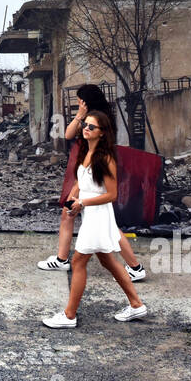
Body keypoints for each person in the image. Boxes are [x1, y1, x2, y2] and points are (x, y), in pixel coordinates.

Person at [42, 110, 147, 328]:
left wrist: (83, 204)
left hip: (98, 215)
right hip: (90, 213)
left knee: (78, 261)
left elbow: (111, 195)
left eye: (92, 127)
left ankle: (69, 316)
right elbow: (81, 182)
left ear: (102, 133)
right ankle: (137, 305)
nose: (86, 129)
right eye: (85, 125)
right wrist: (72, 201)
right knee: (108, 260)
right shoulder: (86, 152)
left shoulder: (105, 157)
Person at [37, 84, 146, 281]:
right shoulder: (91, 119)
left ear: (86, 100)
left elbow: (70, 135)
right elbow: (70, 134)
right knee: (68, 212)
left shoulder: (99, 121)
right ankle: (62, 259)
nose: (87, 128)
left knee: (109, 226)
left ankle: (136, 268)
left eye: (80, 99)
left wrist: (81, 114)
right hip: (85, 167)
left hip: (95, 169)